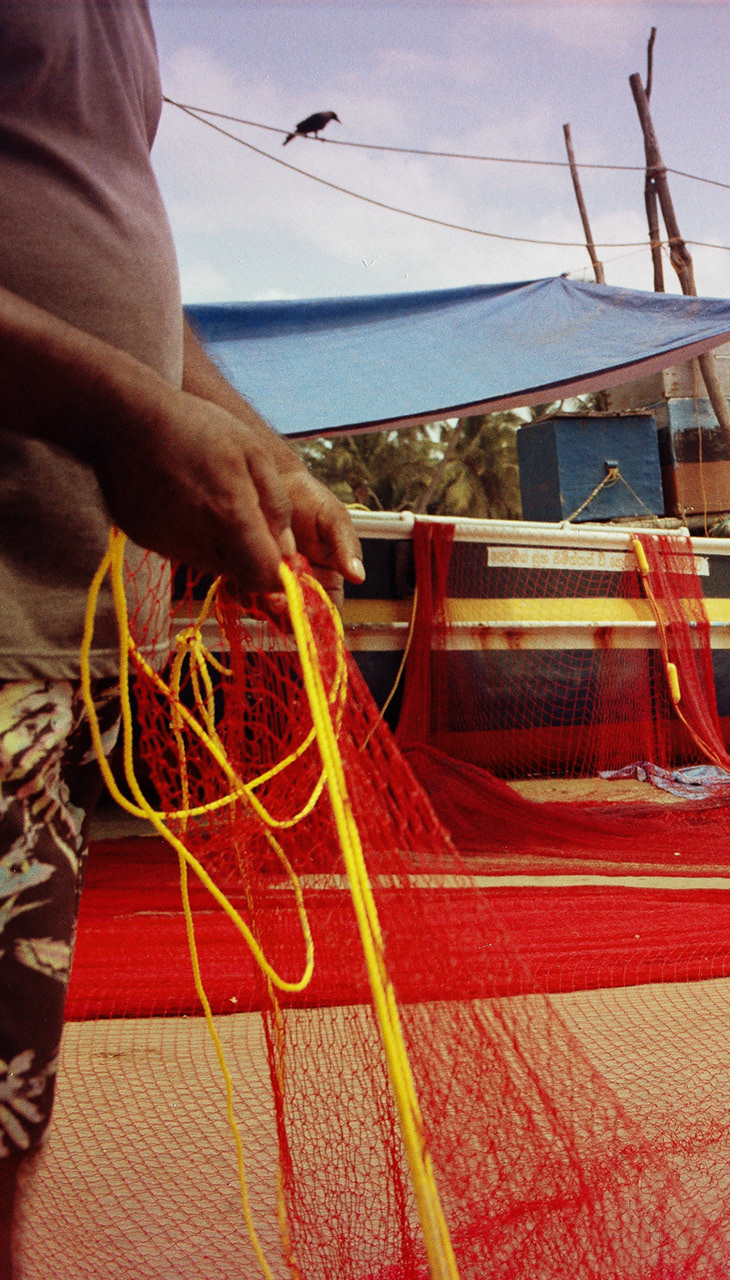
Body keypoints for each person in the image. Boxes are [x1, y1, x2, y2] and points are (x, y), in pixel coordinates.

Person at [0, 4, 361, 1269]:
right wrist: (122, 422)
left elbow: (105, 244)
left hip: (46, 646)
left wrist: (238, 432)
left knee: (2, 1114)